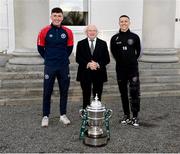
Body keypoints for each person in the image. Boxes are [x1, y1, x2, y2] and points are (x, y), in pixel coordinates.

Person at [37, 7, 74, 127]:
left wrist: (62, 58)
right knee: (47, 91)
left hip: (63, 66)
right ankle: (45, 116)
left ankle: (63, 115)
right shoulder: (44, 31)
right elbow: (40, 48)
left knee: (64, 91)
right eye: (55, 16)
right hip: (50, 66)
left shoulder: (67, 31)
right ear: (51, 17)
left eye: (59, 16)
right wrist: (49, 58)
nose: (57, 18)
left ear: (62, 17)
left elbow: (69, 48)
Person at [110, 15, 141, 127]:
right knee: (123, 93)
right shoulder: (114, 38)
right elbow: (113, 53)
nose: (123, 23)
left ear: (129, 23)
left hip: (132, 69)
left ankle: (135, 116)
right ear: (119, 23)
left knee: (134, 92)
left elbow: (138, 52)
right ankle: (126, 115)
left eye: (125, 21)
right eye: (121, 21)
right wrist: (122, 61)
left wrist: (131, 60)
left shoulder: (135, 37)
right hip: (120, 69)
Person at [76, 24, 110, 109]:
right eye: (89, 30)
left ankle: (97, 112)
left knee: (97, 95)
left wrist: (97, 64)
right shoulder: (80, 43)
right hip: (85, 73)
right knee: (86, 94)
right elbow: (78, 58)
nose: (92, 32)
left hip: (99, 73)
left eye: (94, 30)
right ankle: (85, 114)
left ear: (97, 32)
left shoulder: (103, 43)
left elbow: (107, 59)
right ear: (86, 32)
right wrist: (88, 64)